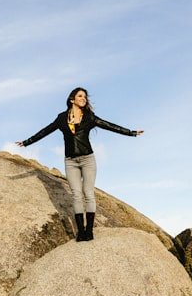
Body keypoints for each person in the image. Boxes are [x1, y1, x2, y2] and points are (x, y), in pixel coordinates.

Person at [17, 87, 143, 242]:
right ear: (72, 100)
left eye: (85, 96)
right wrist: (27, 142)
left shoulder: (89, 117)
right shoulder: (62, 118)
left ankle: (89, 231)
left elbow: (109, 125)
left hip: (87, 160)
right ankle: (81, 232)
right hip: (70, 161)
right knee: (76, 194)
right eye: (80, 96)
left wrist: (131, 132)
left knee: (88, 193)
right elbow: (46, 131)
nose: (84, 98)